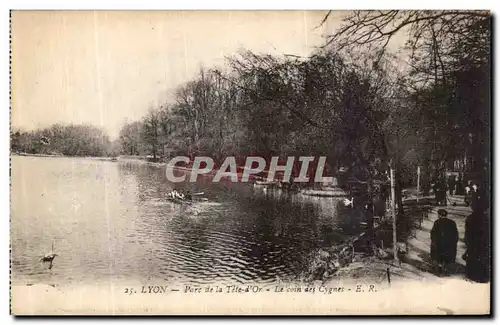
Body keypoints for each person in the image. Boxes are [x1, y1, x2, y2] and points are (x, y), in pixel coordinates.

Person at [464, 195, 490, 283]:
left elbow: (467, 231)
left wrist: (467, 242)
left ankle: (472, 274)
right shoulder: (487, 218)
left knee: (473, 256)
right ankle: (483, 276)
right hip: (484, 241)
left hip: (473, 241)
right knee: (483, 257)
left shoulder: (470, 218)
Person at [430, 209, 459, 274]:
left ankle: (440, 267)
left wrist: (433, 241)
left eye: (438, 214)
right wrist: (454, 242)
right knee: (447, 255)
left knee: (439, 255)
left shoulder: (437, 222)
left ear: (440, 215)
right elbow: (455, 233)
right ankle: (446, 267)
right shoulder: (452, 222)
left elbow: (433, 233)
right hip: (449, 244)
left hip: (440, 244)